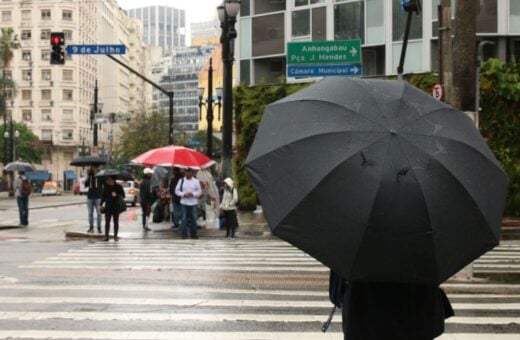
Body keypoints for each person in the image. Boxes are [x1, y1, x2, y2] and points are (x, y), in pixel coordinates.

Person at [340, 279, 454, 340]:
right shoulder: (422, 240)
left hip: (363, 318)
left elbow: (337, 291)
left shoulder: (355, 239)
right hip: (416, 317)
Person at [175, 167, 201, 239]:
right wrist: (183, 194)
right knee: (184, 219)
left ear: (192, 172)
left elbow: (199, 192)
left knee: (193, 218)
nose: (187, 173)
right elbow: (176, 191)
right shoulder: (181, 180)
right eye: (186, 172)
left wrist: (193, 194)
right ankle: (184, 234)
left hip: (193, 203)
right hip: (184, 202)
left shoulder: (196, 181)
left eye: (189, 172)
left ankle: (193, 233)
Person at [100, 176, 125, 241]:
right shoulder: (105, 187)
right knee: (107, 222)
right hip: (108, 207)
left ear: (113, 180)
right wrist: (100, 204)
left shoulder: (118, 187)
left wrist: (116, 195)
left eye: (108, 179)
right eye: (107, 179)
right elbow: (103, 197)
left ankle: (115, 236)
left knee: (116, 222)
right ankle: (106, 236)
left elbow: (123, 195)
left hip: (116, 206)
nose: (107, 181)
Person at [85, 165, 103, 233]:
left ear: (96, 167)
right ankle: (91, 227)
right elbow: (86, 185)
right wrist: (88, 176)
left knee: (99, 213)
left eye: (93, 167)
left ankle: (99, 227)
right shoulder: (90, 175)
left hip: (98, 197)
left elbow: (103, 184)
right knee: (90, 213)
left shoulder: (100, 175)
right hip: (90, 197)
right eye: (91, 167)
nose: (92, 168)